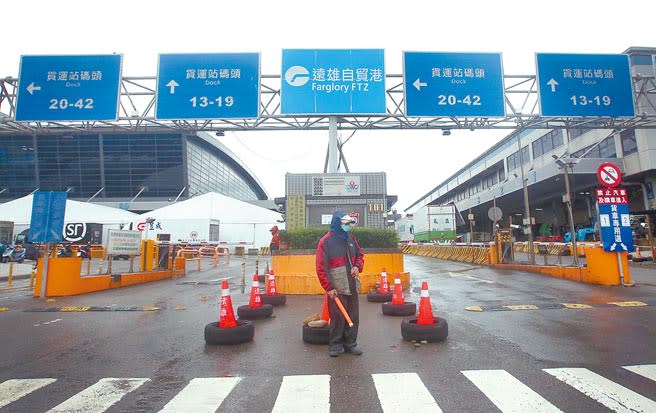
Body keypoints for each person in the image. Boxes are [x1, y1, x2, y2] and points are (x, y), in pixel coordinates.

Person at [316, 211, 365, 357]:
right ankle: (335, 345)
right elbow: (320, 267)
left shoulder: (351, 238)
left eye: (349, 223)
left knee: (353, 316)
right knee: (337, 317)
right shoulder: (326, 241)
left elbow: (360, 255)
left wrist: (357, 266)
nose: (348, 226)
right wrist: (328, 287)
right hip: (336, 287)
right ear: (338, 223)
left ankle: (351, 344)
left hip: (351, 284)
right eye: (345, 223)